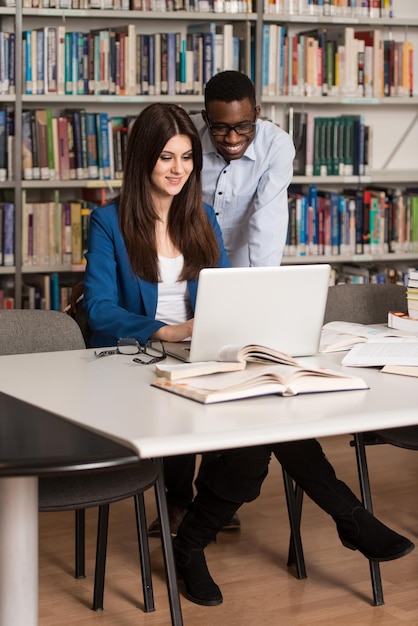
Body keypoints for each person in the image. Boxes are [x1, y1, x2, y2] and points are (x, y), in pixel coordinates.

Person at [148, 70, 296, 536]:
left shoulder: (276, 145)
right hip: (185, 259)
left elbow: (268, 224)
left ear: (257, 115)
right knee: (178, 387)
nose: (232, 139)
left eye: (243, 127)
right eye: (221, 128)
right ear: (204, 118)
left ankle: (213, 502)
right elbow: (167, 194)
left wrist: (253, 299)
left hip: (244, 265)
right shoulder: (186, 135)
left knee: (225, 382)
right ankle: (176, 500)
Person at [172, 442, 415, 607]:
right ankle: (352, 519)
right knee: (255, 452)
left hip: (259, 393)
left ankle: (188, 544)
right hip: (196, 398)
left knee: (287, 438)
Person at [83, 102, 230, 351]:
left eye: (186, 157)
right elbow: (99, 307)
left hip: (198, 351)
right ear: (143, 158)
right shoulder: (107, 221)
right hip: (132, 354)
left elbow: (227, 292)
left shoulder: (204, 216)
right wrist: (166, 332)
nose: (179, 169)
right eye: (166, 158)